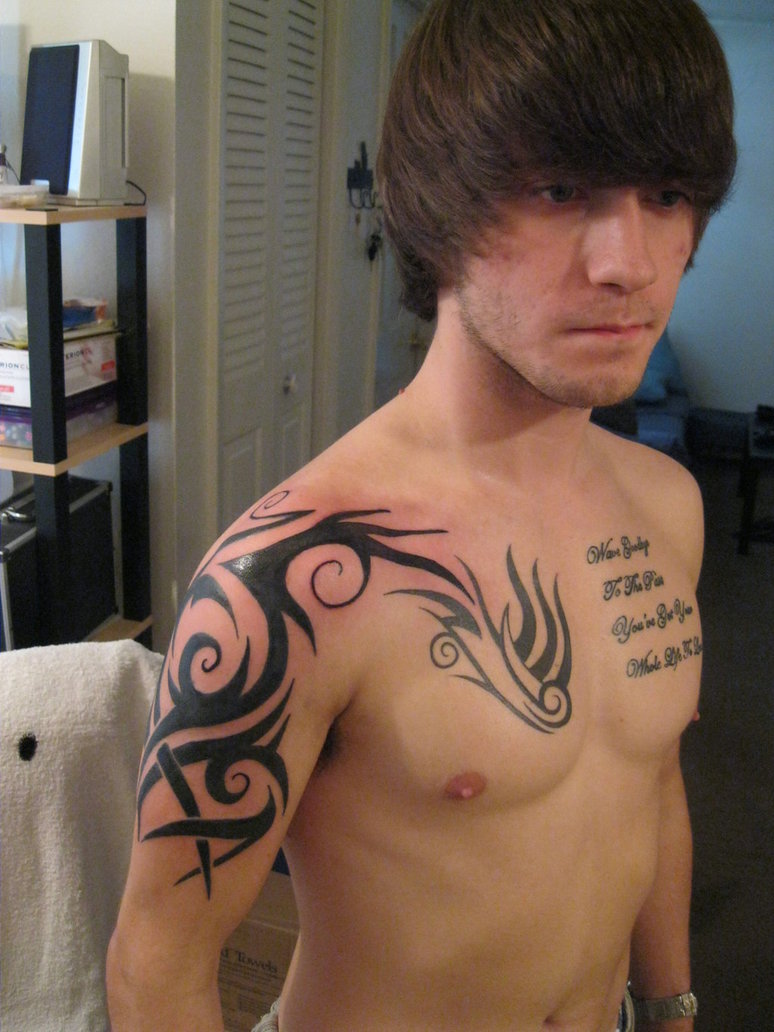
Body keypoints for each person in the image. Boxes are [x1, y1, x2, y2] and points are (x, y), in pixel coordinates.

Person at [107, 1, 736, 1029]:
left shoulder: (669, 506)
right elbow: (157, 967)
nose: (630, 261)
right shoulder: (291, 577)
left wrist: (669, 1007)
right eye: (560, 189)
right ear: (437, 209)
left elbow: (652, 786)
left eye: (667, 194)